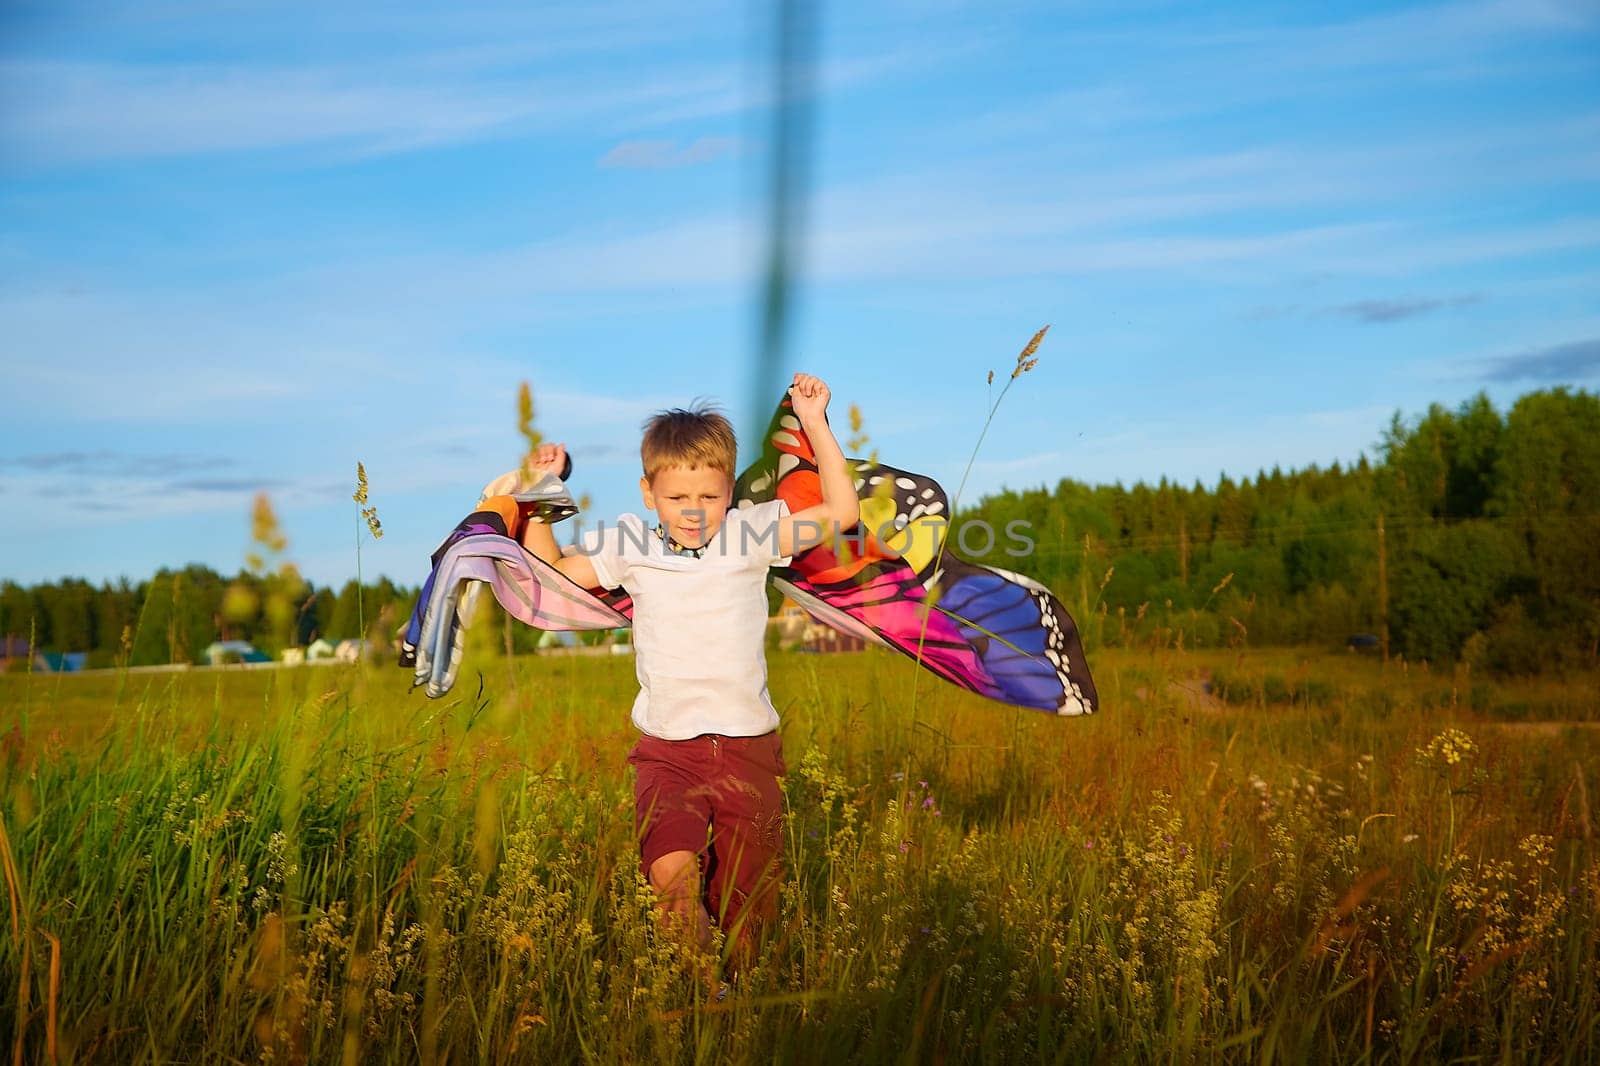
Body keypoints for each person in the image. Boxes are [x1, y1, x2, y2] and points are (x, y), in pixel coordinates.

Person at [515, 372, 859, 974]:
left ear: (729, 491)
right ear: (649, 493)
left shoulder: (753, 534)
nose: (695, 512)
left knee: (750, 912)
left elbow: (841, 511)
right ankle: (705, 996)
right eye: (678, 498)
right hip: (667, 751)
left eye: (709, 496)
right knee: (671, 880)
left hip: (747, 747)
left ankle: (743, 1005)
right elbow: (552, 571)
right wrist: (541, 490)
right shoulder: (629, 546)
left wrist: (814, 421)